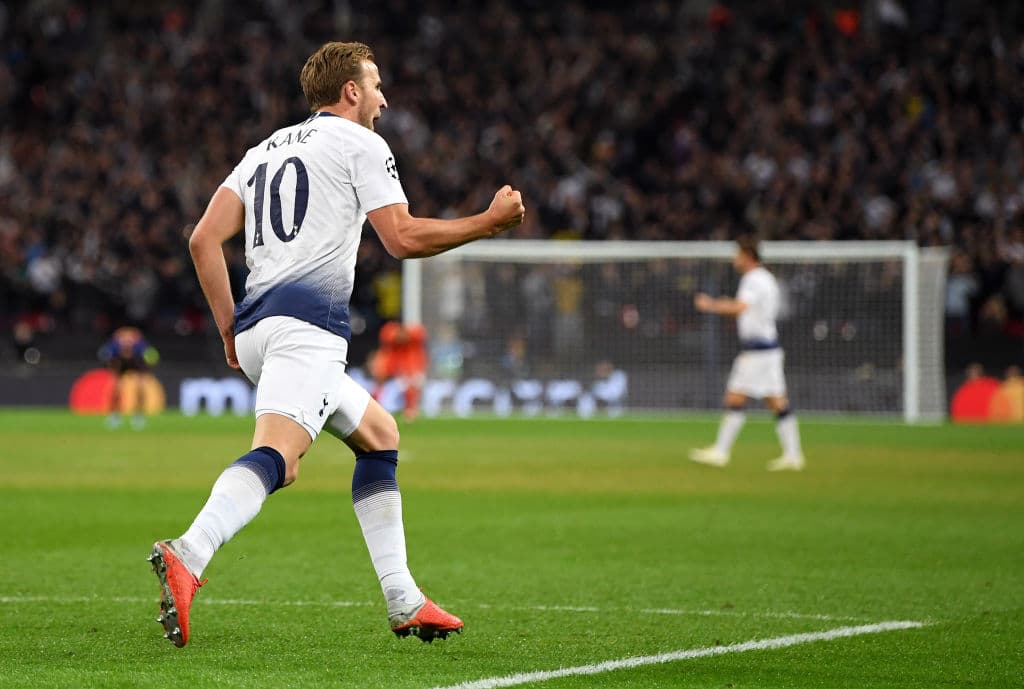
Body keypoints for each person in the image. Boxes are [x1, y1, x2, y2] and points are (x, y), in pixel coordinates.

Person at [148, 41, 526, 648]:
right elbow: (400, 238)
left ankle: (404, 597)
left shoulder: (261, 151)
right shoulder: (361, 143)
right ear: (350, 90)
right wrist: (488, 221)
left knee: (379, 436)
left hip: (256, 331)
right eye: (376, 84)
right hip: (306, 331)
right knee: (275, 457)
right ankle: (189, 552)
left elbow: (202, 240)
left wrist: (227, 329)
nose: (383, 97)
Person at [689, 237, 805, 471]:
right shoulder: (766, 278)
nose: (734, 259)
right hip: (767, 349)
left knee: (735, 398)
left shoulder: (753, 280)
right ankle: (793, 455)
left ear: (748, 256)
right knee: (777, 402)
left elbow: (741, 307)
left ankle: (721, 452)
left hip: (758, 351)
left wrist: (711, 305)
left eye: (737, 254)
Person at [99, 325, 159, 430]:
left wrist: (146, 370)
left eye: (129, 339)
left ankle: (138, 416)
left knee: (140, 388)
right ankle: (115, 416)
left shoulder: (140, 347)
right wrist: (112, 366)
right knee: (116, 388)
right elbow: (103, 355)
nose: (127, 342)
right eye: (124, 339)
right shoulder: (114, 347)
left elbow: (153, 357)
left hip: (137, 364)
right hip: (120, 364)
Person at [368, 321, 428, 421]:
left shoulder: (413, 341)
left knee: (412, 384)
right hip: (393, 380)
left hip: (406, 377)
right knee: (386, 398)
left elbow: (420, 334)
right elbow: (388, 335)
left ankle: (410, 410)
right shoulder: (391, 346)